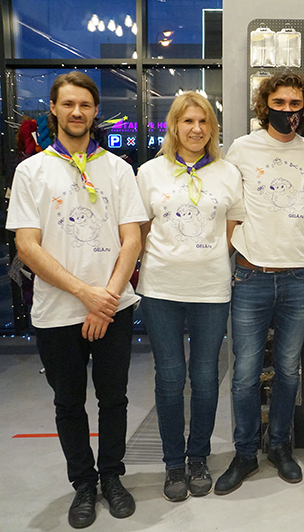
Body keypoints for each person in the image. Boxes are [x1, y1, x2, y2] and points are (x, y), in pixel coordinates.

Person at [6, 72, 147, 528]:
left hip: (113, 307)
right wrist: (86, 294)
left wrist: (107, 298)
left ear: (95, 110)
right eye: (68, 104)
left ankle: (112, 478)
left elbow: (132, 239)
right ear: (53, 108)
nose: (76, 112)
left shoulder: (118, 169)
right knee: (68, 403)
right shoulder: (32, 171)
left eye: (84, 105)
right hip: (58, 312)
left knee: (114, 400)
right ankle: (83, 484)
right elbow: (27, 246)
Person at [136, 92, 245, 502]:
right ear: (174, 126)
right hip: (160, 289)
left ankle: (197, 457)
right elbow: (139, 228)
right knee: (169, 378)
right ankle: (173, 464)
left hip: (210, 289)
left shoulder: (227, 173)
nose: (196, 129)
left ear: (212, 128)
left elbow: (233, 226)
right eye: (188, 121)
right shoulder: (150, 172)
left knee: (204, 377)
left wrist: (207, 256)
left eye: (203, 122)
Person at [214, 71, 304, 494]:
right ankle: (244, 453)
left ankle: (278, 446)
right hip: (251, 275)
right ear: (265, 105)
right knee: (244, 374)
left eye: (295, 104)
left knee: (288, 370)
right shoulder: (242, 148)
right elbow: (224, 203)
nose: (287, 110)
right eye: (279, 103)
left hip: (299, 276)